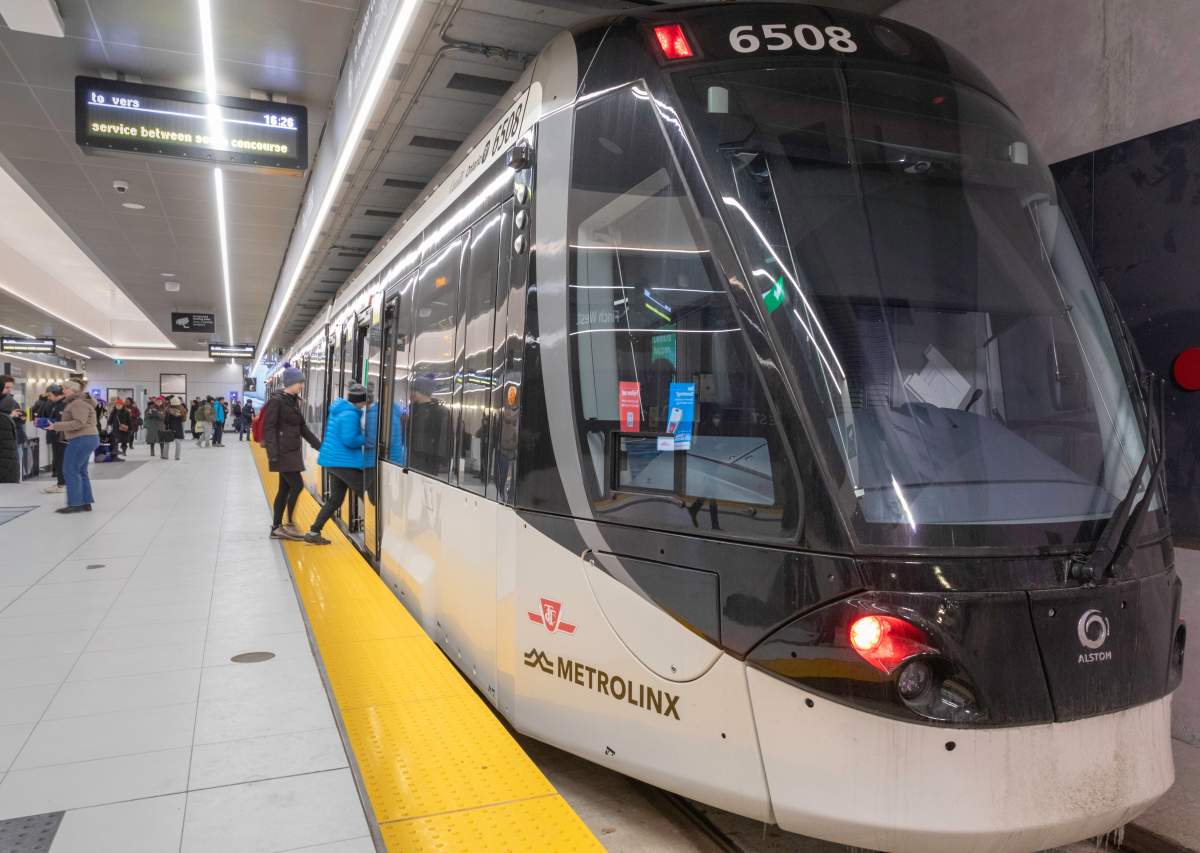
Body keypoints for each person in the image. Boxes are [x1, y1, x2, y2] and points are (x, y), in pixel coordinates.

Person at [305, 383, 370, 545]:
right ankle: (376, 536)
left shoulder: (340, 411)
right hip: (344, 463)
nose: (366, 404)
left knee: (335, 500)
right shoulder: (350, 415)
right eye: (364, 401)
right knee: (368, 494)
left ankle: (313, 532)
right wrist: (368, 439)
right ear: (359, 401)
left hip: (333, 462)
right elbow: (350, 440)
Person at [262, 367, 320, 539]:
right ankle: (288, 524)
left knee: (284, 489)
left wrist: (319, 446)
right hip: (282, 452)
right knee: (297, 485)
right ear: (290, 383)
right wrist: (272, 453)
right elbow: (269, 427)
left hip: (291, 451)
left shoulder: (293, 401)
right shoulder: (277, 401)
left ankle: (277, 527)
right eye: (300, 383)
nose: (302, 386)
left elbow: (302, 427)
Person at [47, 381, 98, 512]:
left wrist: (56, 426)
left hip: (81, 439)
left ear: (71, 390)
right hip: (87, 438)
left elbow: (79, 423)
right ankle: (85, 502)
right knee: (81, 471)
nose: (63, 391)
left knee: (70, 470)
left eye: (65, 388)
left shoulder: (77, 403)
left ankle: (75, 504)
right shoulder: (80, 402)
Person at [40, 384, 68, 493]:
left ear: (57, 394)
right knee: (58, 460)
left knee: (61, 461)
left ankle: (62, 484)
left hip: (61, 437)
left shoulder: (64, 405)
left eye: (50, 395)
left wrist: (52, 423)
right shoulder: (54, 404)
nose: (48, 397)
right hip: (55, 436)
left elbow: (64, 421)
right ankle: (61, 482)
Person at [0, 374, 18, 483]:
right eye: (7, 387)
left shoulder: (10, 402)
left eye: (11, 387)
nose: (9, 390)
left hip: (7, 454)